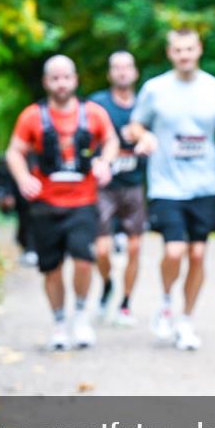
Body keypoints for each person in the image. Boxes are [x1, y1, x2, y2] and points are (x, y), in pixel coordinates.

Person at [127, 28, 215, 350]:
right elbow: (135, 125)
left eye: (189, 49)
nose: (184, 55)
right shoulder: (155, 89)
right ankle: (166, 302)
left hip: (205, 184)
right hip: (166, 185)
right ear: (170, 53)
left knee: (197, 254)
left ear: (199, 50)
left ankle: (186, 320)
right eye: (178, 50)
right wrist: (144, 136)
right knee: (174, 251)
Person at [6, 54, 119, 350]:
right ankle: (59, 322)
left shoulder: (93, 113)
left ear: (75, 80)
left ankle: (80, 315)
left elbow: (111, 140)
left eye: (66, 77)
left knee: (84, 260)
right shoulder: (32, 116)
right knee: (52, 268)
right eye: (55, 78)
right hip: (45, 204)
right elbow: (14, 151)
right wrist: (23, 178)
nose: (61, 84)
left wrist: (105, 162)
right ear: (46, 82)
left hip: (83, 201)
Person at [89, 51, 147, 327]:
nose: (122, 72)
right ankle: (108, 284)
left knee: (135, 248)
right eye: (117, 67)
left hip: (134, 185)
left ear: (135, 72)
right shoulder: (97, 105)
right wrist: (93, 161)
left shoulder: (146, 104)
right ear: (110, 73)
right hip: (104, 187)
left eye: (127, 67)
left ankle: (125, 304)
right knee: (102, 250)